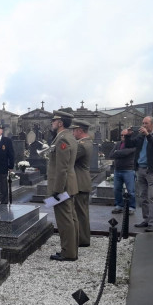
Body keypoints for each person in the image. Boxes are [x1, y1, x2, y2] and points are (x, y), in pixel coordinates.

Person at [47, 110, 79, 262]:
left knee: (65, 221)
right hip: (69, 184)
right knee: (71, 218)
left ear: (60, 123)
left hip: (63, 187)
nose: (52, 123)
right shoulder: (69, 137)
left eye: (54, 121)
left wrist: (57, 190)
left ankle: (68, 253)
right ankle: (71, 250)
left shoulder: (62, 140)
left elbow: (62, 168)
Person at [124, 116, 153, 233]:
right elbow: (129, 144)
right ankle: (146, 220)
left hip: (152, 171)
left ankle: (152, 223)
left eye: (146, 123)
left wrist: (148, 135)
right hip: (140, 169)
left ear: (152, 124)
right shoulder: (140, 136)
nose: (144, 125)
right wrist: (128, 135)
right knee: (143, 197)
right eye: (143, 123)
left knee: (152, 197)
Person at [71, 119, 93, 247]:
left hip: (80, 182)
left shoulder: (82, 145)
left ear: (80, 130)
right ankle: (82, 237)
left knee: (81, 212)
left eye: (74, 130)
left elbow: (69, 159)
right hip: (82, 181)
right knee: (82, 211)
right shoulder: (87, 142)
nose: (73, 133)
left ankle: (83, 239)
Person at [109, 129, 136, 215]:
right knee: (117, 189)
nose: (123, 137)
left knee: (130, 190)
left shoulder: (132, 144)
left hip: (128, 170)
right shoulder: (118, 144)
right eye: (121, 135)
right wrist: (118, 153)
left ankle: (132, 207)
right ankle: (119, 206)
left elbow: (126, 153)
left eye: (124, 135)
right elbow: (111, 155)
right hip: (117, 170)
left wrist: (118, 152)